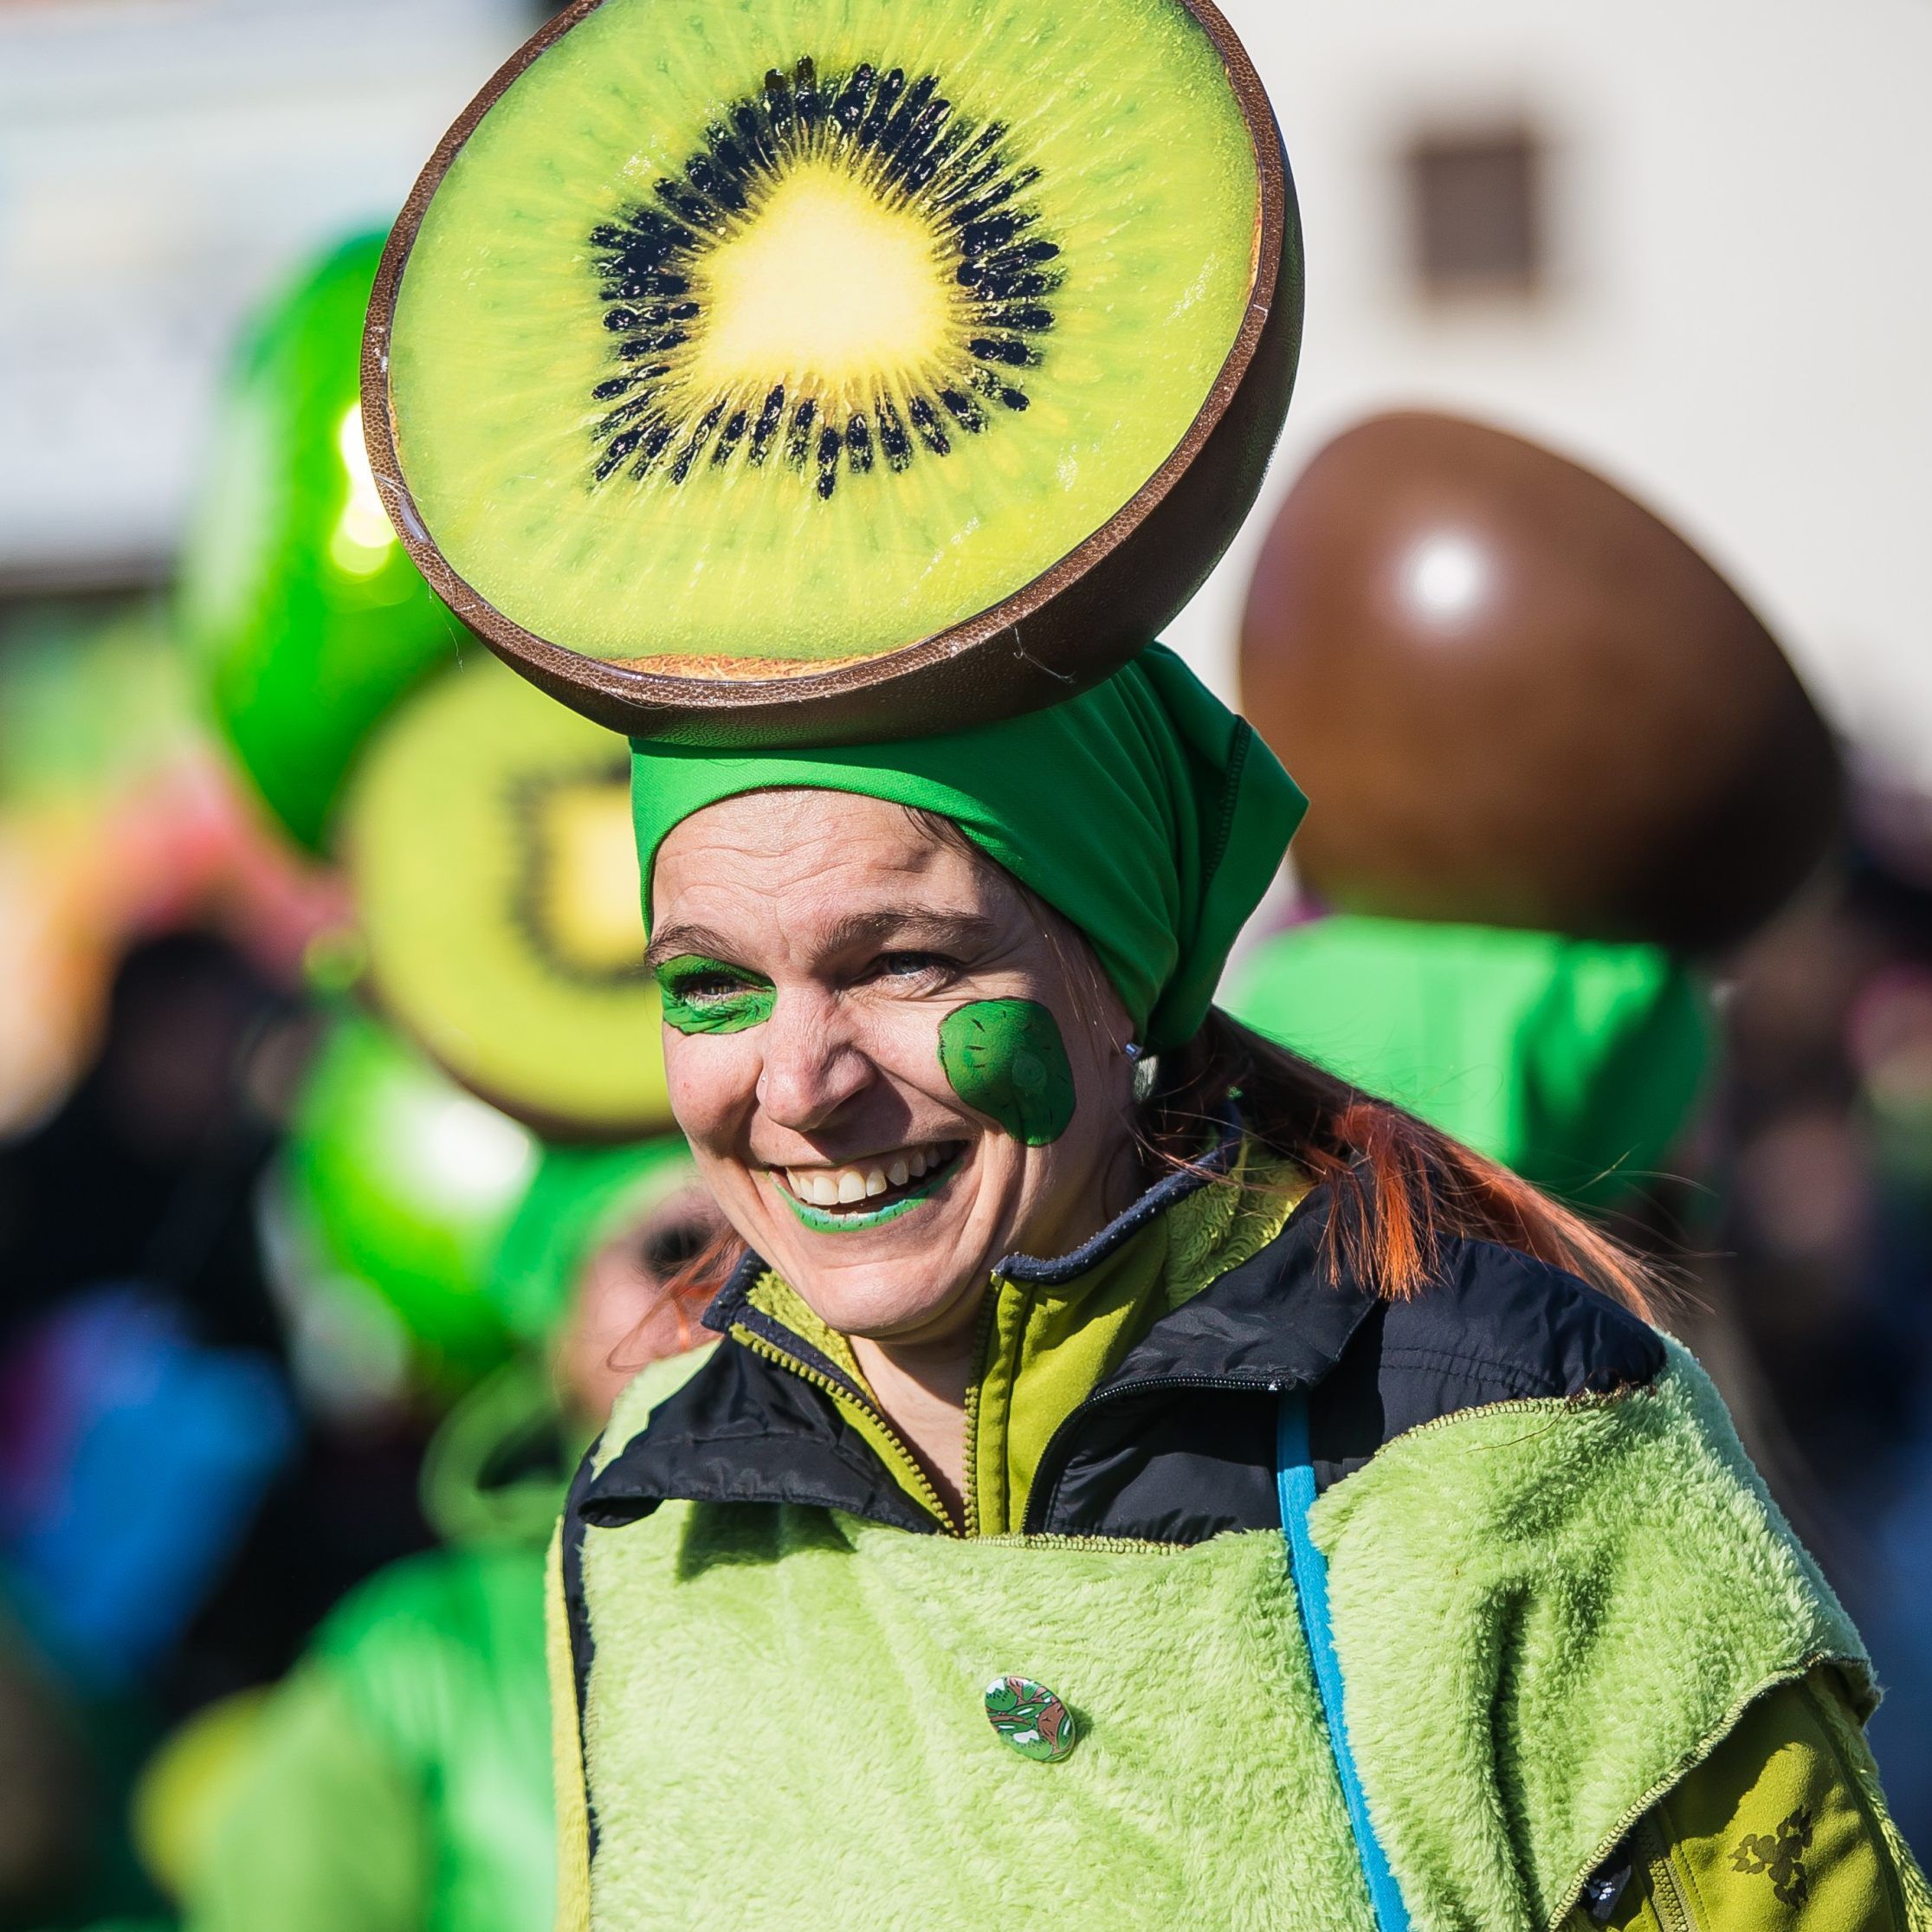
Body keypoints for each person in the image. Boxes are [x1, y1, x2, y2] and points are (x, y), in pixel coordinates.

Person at [549, 647, 1929, 1930]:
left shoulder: (1524, 1439)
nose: (795, 1085)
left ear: (1125, 968)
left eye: (905, 960)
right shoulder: (645, 1502)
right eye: (711, 982)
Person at [178, 1138, 716, 1932]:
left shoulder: (929, 1576)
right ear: (554, 1316)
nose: (733, 1294)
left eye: (774, 1252)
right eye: (674, 1249)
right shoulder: (415, 1660)